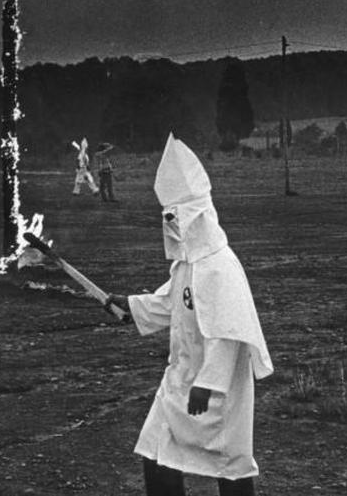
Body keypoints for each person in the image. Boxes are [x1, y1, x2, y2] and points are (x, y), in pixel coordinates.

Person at [107, 134, 273, 496]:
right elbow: (170, 303)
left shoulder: (219, 267)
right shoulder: (187, 265)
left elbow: (230, 331)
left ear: (195, 218)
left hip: (215, 385)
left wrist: (208, 383)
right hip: (180, 376)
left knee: (230, 462)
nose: (171, 227)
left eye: (176, 218)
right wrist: (130, 305)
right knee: (155, 447)